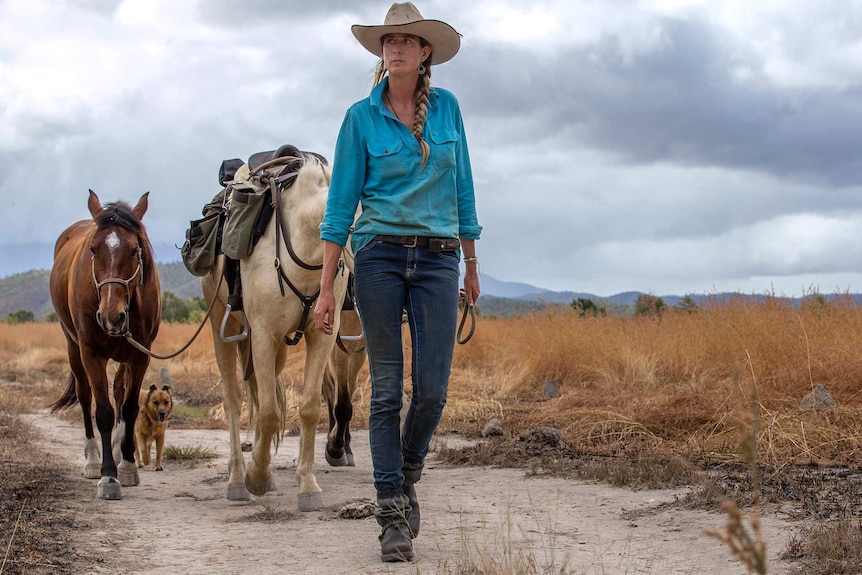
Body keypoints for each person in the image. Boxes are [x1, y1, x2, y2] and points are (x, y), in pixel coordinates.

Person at [314, 1, 481, 563]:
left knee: (431, 392)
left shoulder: (449, 110)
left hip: (439, 259)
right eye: (389, 42)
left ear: (425, 52)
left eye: (407, 42)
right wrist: (325, 287)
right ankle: (390, 513)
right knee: (386, 390)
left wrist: (472, 264)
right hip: (379, 257)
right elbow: (339, 208)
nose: (396, 49)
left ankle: (406, 474)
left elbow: (464, 191)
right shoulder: (359, 118)